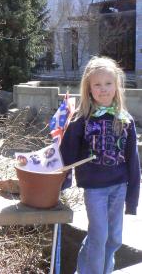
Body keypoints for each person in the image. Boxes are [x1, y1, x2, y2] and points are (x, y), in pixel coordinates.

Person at [60, 56, 140, 274]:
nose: (103, 89)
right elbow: (66, 153)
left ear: (116, 86)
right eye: (97, 84)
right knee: (99, 235)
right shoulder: (82, 119)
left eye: (108, 83)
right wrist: (61, 184)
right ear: (89, 88)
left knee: (114, 238)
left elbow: (134, 162)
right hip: (95, 189)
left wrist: (132, 200)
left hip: (119, 187)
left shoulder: (125, 120)